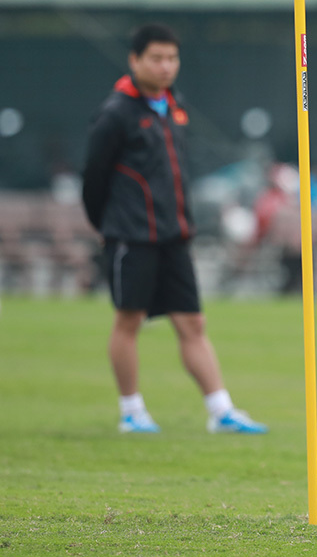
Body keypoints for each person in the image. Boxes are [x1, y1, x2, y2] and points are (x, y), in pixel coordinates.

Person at [82, 23, 267, 435]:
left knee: (192, 324)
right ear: (134, 61)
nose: (166, 67)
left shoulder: (174, 104)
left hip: (174, 235)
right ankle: (132, 412)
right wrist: (104, 226)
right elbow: (93, 178)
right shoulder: (116, 114)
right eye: (156, 58)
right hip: (131, 236)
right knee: (129, 321)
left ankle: (221, 411)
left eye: (172, 58)